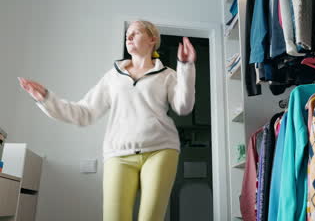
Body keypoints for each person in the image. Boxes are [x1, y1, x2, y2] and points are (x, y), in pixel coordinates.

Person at [18, 20, 197, 221]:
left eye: (135, 33)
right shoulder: (113, 76)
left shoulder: (168, 75)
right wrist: (46, 99)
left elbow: (183, 106)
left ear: (152, 39)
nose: (128, 37)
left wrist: (186, 67)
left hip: (161, 150)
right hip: (118, 154)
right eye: (127, 34)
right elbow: (85, 113)